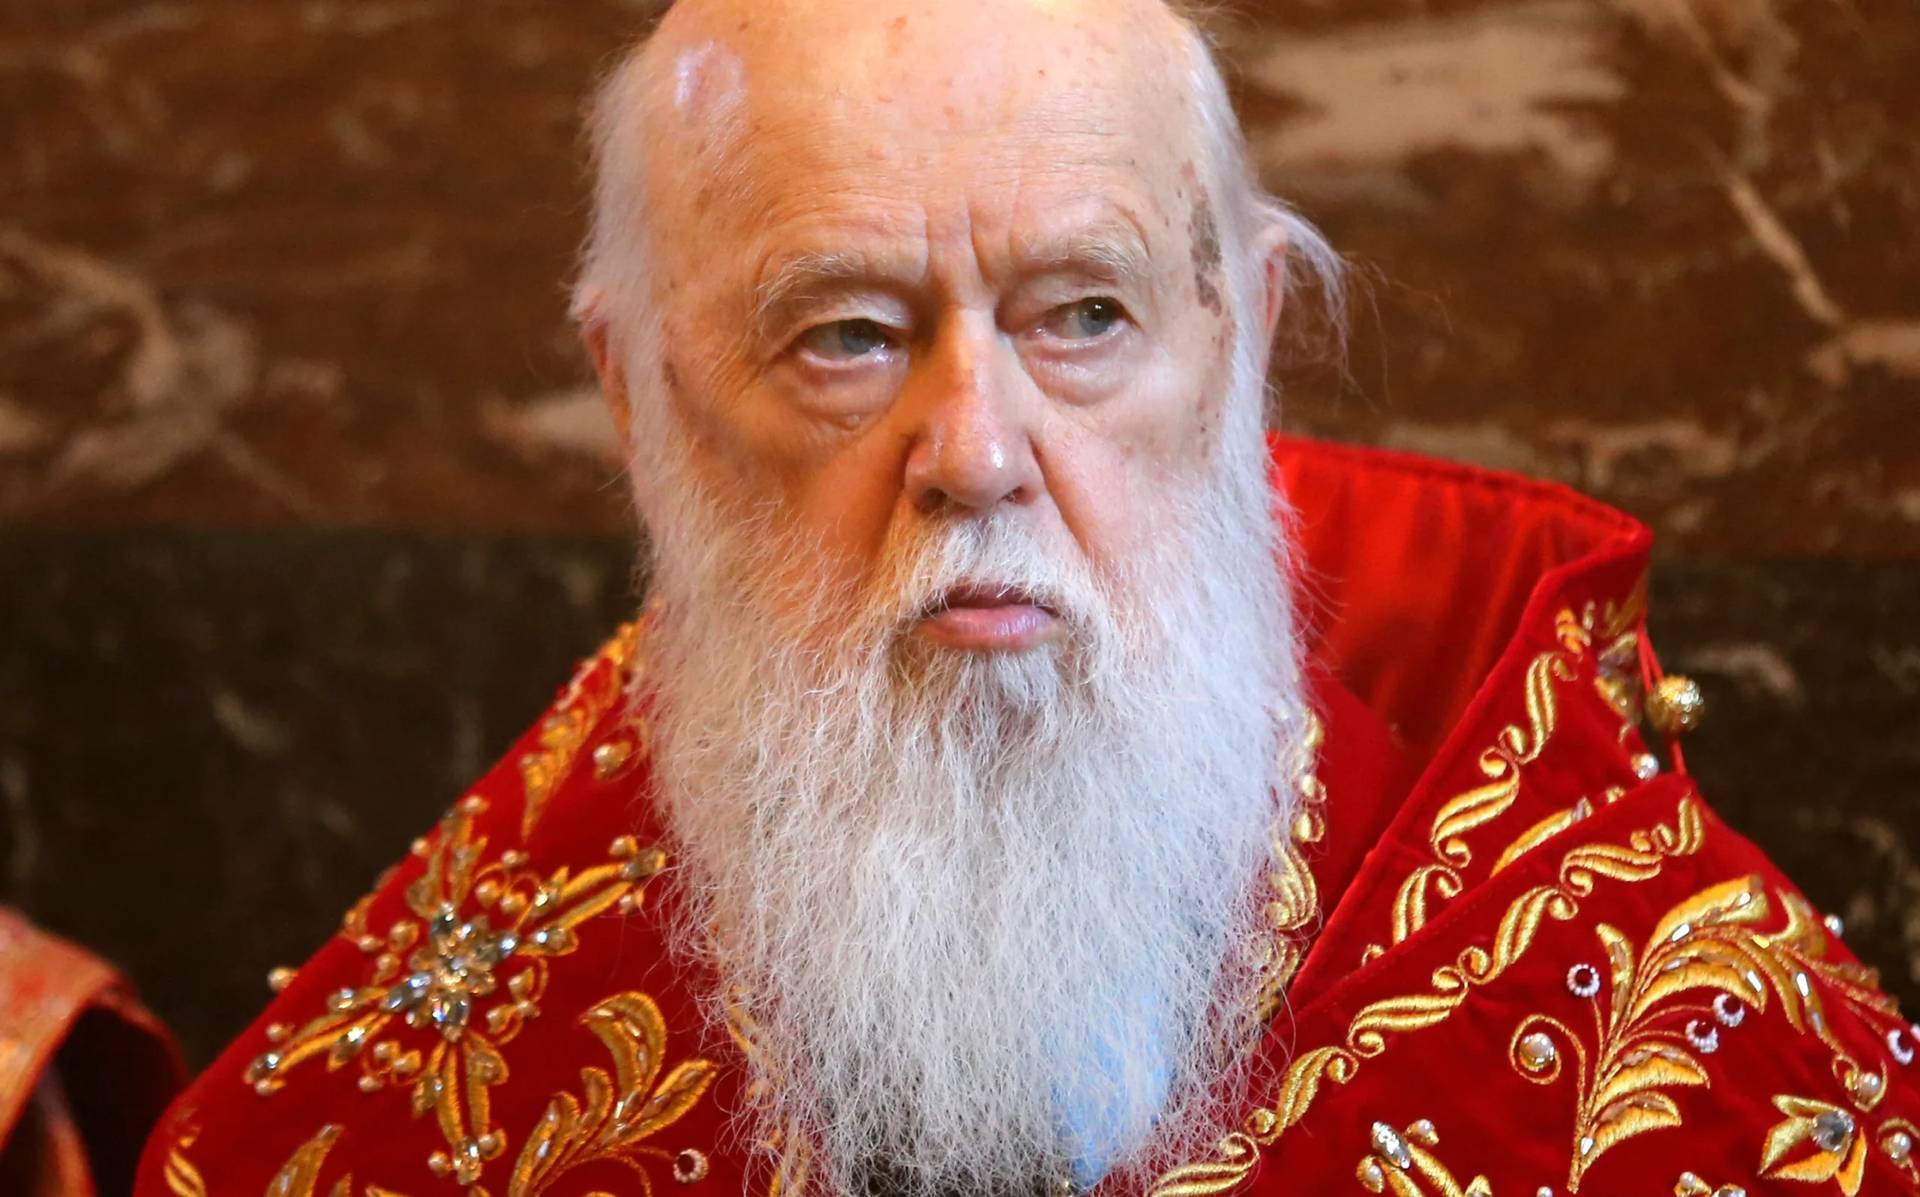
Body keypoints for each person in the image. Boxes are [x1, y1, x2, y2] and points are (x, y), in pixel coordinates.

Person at [127, 1, 1919, 1194]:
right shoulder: (431, 1073)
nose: (978, 452)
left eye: (1083, 315)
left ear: (1242, 338)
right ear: (636, 393)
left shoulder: (1677, 1036)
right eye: (846, 335)